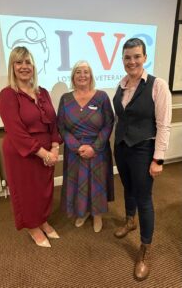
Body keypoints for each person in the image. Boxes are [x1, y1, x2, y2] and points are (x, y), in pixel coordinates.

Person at [113, 38, 172, 280]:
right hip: (122, 148)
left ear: (145, 57)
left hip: (143, 149)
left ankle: (145, 250)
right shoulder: (122, 83)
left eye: (136, 56)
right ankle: (130, 221)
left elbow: (163, 124)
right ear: (123, 60)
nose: (132, 61)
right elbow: (121, 118)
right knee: (128, 188)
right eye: (127, 57)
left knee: (144, 198)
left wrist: (158, 159)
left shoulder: (158, 85)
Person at [0, 46, 61, 248]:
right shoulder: (8, 94)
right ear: (12, 67)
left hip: (46, 151)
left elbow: (53, 122)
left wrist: (54, 148)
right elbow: (16, 131)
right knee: (27, 192)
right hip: (22, 152)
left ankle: (42, 220)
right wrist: (43, 153)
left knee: (44, 190)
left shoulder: (42, 92)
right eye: (19, 62)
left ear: (34, 66)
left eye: (28, 62)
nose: (24, 66)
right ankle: (32, 227)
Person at [57, 60, 114, 233]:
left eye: (86, 72)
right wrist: (76, 146)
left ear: (91, 76)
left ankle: (97, 215)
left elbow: (109, 123)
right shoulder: (65, 99)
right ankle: (82, 212)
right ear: (73, 76)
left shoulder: (102, 97)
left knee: (97, 184)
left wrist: (94, 147)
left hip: (98, 150)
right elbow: (61, 126)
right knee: (79, 184)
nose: (82, 75)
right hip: (75, 152)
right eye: (78, 72)